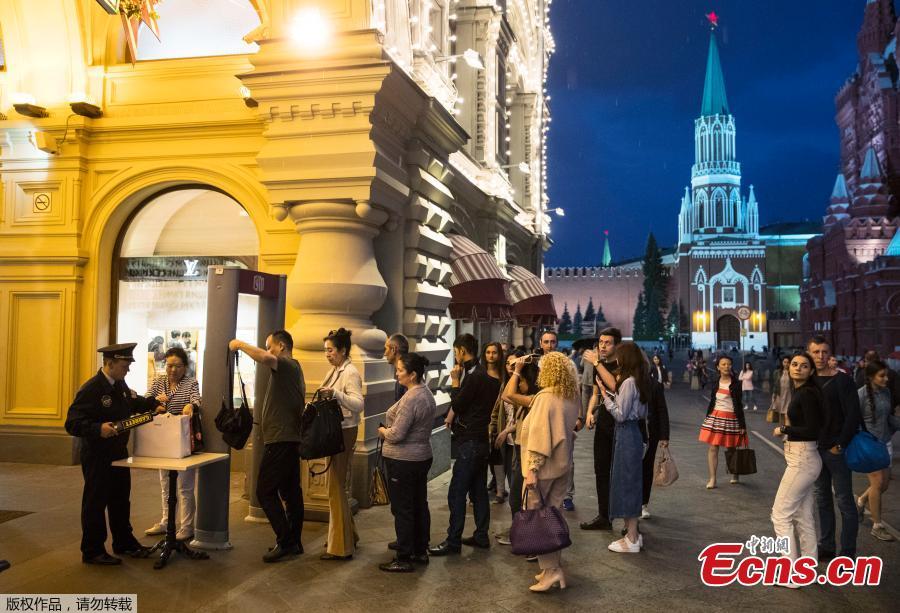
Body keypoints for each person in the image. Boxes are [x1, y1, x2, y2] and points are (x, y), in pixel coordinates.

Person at [65, 343, 165, 565]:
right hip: (98, 456)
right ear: (109, 363)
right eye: (124, 365)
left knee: (120, 499)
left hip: (118, 454)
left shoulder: (119, 384)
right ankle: (92, 550)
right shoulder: (91, 389)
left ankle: (124, 542)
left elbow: (131, 401)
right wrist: (98, 429)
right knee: (96, 502)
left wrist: (153, 404)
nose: (128, 369)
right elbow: (72, 423)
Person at [229, 331, 306, 563]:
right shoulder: (294, 369)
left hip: (281, 440)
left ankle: (286, 541)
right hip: (286, 438)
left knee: (264, 491)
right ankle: (294, 540)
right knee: (291, 492)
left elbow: (266, 358)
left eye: (270, 346)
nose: (268, 350)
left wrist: (239, 344)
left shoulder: (287, 365)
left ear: (281, 346)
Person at [429, 334, 499, 555]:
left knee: (456, 492)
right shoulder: (483, 375)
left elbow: (459, 403)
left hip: (470, 442)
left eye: (456, 352)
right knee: (478, 490)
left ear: (460, 351)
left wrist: (455, 382)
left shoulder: (474, 376)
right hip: (479, 441)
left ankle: (453, 541)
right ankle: (481, 536)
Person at [518, 351, 580, 592]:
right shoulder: (571, 395)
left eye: (544, 368)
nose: (540, 372)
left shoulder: (546, 397)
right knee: (553, 516)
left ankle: (552, 571)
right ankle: (551, 568)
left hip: (542, 468)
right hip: (562, 464)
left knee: (538, 519)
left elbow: (539, 435)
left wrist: (532, 468)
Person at [377, 353, 436, 572]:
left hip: (404, 459)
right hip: (421, 456)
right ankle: (419, 550)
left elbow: (397, 434)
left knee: (403, 508)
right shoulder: (425, 392)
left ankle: (403, 556)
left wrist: (384, 431)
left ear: (412, 374)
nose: (397, 373)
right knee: (419, 504)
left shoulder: (412, 397)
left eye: (400, 370)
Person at [770, 352, 823, 586]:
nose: (798, 368)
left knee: (780, 515)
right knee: (803, 517)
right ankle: (806, 570)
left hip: (803, 458)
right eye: (794, 364)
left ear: (811, 371)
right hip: (804, 458)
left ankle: (790, 573)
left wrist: (784, 429)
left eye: (804, 366)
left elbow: (813, 429)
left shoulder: (807, 394)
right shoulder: (804, 392)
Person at [807, 336, 861, 561]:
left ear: (830, 354)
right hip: (814, 450)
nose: (820, 356)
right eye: (816, 352)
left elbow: (853, 415)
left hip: (835, 451)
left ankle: (848, 553)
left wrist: (840, 445)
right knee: (822, 499)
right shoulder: (807, 380)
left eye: (824, 351)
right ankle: (826, 545)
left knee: (845, 502)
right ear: (808, 354)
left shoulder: (843, 381)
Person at [144, 347, 202, 541]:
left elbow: (196, 400)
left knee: (185, 486)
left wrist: (191, 406)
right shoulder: (159, 381)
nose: (173, 370)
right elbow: (146, 399)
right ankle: (166, 520)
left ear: (185, 367)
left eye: (177, 366)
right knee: (165, 483)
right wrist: (154, 402)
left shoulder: (191, 382)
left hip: (184, 439)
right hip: (163, 439)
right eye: (169, 365)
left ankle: (186, 526)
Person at [597, 342, 650, 553]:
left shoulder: (629, 382)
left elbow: (620, 414)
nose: (616, 359)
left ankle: (632, 537)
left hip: (627, 433)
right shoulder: (639, 380)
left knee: (627, 484)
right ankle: (633, 535)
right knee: (630, 481)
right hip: (634, 433)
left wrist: (604, 395)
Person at [319, 328, 364, 561]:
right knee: (334, 487)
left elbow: (358, 404)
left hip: (344, 432)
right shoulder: (336, 370)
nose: (327, 354)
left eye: (330, 350)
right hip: (335, 431)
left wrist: (336, 394)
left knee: (336, 487)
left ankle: (340, 546)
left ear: (343, 350)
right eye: (325, 350)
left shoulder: (350, 373)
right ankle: (349, 535)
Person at [579, 327, 621, 531]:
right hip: (604, 421)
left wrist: (596, 362)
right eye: (601, 342)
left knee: (622, 472)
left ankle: (630, 520)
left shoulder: (623, 364)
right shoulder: (600, 365)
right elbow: (596, 392)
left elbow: (614, 386)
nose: (603, 346)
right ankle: (604, 516)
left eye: (608, 343)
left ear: (617, 345)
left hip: (623, 425)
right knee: (601, 469)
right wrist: (589, 412)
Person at [496, 352, 540, 546]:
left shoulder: (534, 398)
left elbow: (507, 395)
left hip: (528, 453)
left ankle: (527, 536)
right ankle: (521, 532)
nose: (518, 385)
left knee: (520, 498)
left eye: (520, 382)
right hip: (520, 450)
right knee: (517, 497)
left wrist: (516, 371)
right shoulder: (530, 398)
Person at [856, 360, 900, 542]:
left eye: (886, 375)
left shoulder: (886, 392)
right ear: (870, 377)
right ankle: (877, 525)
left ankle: (861, 501)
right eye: (882, 376)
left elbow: (887, 418)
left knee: (884, 485)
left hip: (885, 442)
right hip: (869, 445)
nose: (886, 379)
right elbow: (854, 418)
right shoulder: (861, 394)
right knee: (878, 483)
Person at [698, 355, 746, 489]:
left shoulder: (736, 384)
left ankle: (735, 472)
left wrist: (742, 425)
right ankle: (713, 479)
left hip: (732, 418)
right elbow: (713, 400)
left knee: (731, 449)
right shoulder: (715, 381)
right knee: (713, 448)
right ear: (718, 367)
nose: (726, 366)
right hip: (716, 417)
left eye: (729, 364)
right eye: (723, 364)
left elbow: (739, 404)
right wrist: (708, 416)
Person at [641, 371, 670, 519]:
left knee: (646, 468)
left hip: (650, 434)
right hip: (629, 433)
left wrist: (664, 436)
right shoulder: (625, 381)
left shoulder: (655, 385)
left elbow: (662, 410)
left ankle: (643, 504)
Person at [483, 342, 509, 504]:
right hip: (482, 418)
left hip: (500, 419)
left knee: (498, 454)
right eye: (488, 352)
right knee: (484, 456)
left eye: (494, 352)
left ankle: (500, 489)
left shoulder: (504, 375)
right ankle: (484, 488)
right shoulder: (480, 373)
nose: (491, 355)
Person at [383, 333, 410, 401]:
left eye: (386, 349)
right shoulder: (408, 372)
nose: (385, 353)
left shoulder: (405, 377)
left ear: (393, 350)